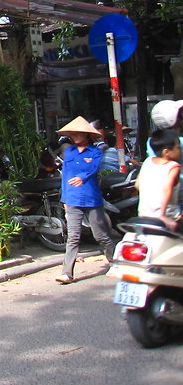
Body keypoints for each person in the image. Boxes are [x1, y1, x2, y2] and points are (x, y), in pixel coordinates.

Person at [55, 116, 117, 285]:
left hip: (91, 199)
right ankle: (67, 273)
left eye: (78, 134)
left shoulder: (95, 152)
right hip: (72, 199)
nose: (75, 136)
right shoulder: (69, 152)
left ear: (87, 135)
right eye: (73, 134)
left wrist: (82, 177)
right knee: (73, 237)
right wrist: (64, 200)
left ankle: (114, 262)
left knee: (101, 235)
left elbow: (93, 169)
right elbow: (65, 177)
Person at [136, 128, 182, 231]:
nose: (180, 150)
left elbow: (137, 185)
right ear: (166, 152)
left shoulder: (147, 162)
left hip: (144, 215)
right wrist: (162, 215)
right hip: (168, 217)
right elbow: (167, 189)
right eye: (178, 147)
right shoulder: (173, 167)